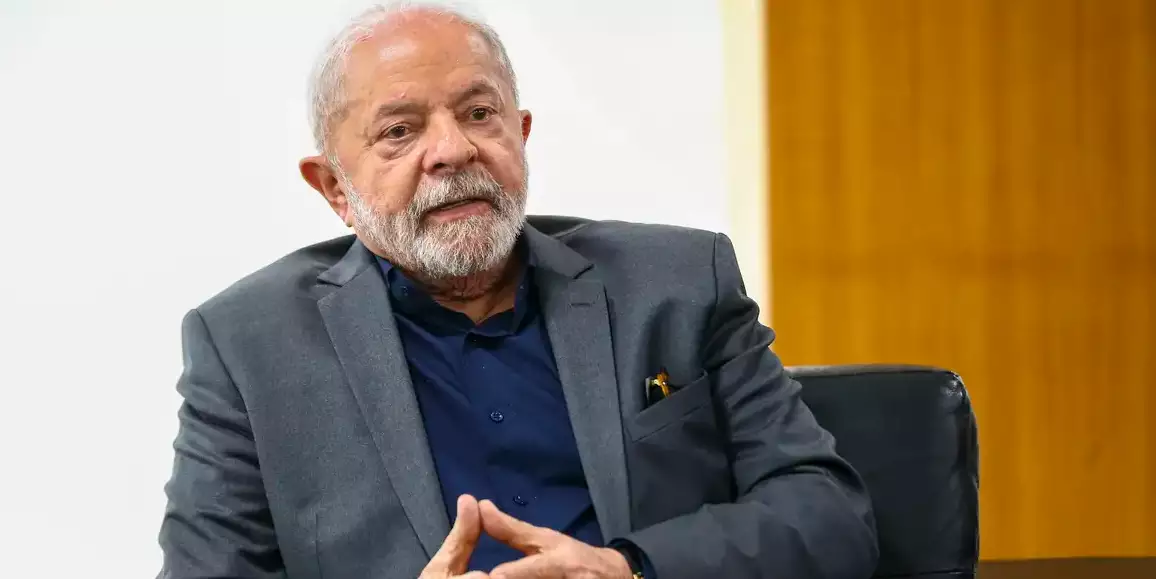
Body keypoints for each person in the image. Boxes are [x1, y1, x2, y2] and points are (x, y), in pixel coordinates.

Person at [157, 3, 878, 578]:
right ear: (334, 189)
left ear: (521, 133)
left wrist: (628, 567)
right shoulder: (249, 346)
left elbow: (829, 515)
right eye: (400, 130)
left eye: (479, 113)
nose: (453, 149)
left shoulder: (678, 282)